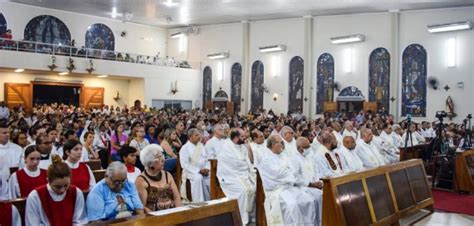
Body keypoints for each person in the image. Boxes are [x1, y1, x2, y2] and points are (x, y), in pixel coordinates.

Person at [257, 135, 322, 226]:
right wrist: (287, 167)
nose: (283, 145)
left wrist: (287, 168)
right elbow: (278, 174)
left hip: (289, 187)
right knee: (293, 205)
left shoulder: (283, 154)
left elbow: (292, 172)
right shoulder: (265, 159)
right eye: (281, 142)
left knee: (310, 200)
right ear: (273, 144)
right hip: (277, 191)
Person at [25, 155, 88, 226]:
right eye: (57, 187)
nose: (62, 190)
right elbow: (33, 223)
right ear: (48, 181)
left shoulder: (76, 192)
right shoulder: (35, 196)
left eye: (66, 185)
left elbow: (79, 221)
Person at [217, 128, 256, 225]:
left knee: (254, 188)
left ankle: (250, 217)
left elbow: (247, 162)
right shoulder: (226, 147)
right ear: (235, 138)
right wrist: (243, 166)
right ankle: (241, 220)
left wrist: (251, 172)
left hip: (243, 175)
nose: (245, 138)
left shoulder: (242, 147)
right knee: (242, 191)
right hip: (230, 176)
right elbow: (235, 164)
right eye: (242, 136)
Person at [135, 144, 181, 212]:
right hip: (153, 217)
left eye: (162, 156)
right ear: (150, 163)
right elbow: (142, 207)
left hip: (172, 213)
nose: (163, 160)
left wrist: (178, 212)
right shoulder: (141, 181)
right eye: (159, 158)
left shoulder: (167, 175)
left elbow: (177, 197)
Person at [179, 128, 210, 202]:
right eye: (196, 135)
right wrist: (198, 170)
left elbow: (207, 159)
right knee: (198, 178)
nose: (199, 136)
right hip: (191, 172)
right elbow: (184, 165)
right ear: (190, 137)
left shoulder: (201, 146)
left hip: (203, 170)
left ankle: (209, 201)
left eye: (199, 134)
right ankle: (198, 202)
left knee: (211, 176)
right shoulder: (185, 148)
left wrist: (207, 168)